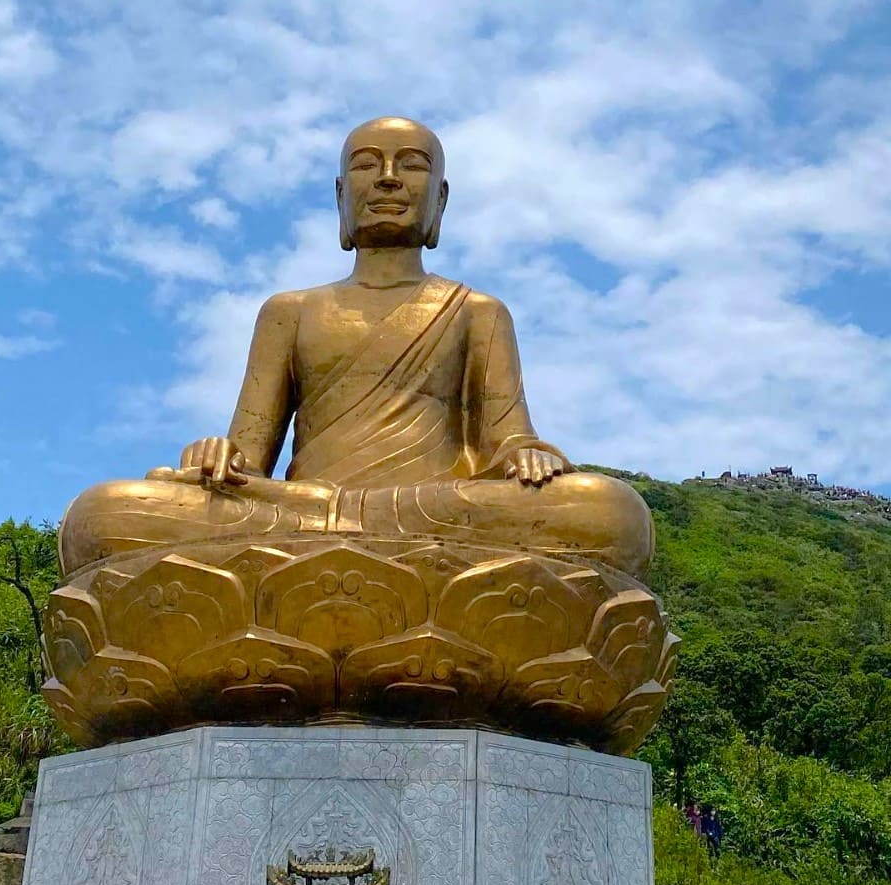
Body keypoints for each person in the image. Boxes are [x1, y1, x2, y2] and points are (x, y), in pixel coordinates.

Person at [57, 116, 654, 583]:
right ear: (342, 198)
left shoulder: (478, 312)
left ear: (438, 201)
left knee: (608, 513)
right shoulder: (289, 312)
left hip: (433, 513)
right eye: (368, 166)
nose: (389, 178)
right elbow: (247, 457)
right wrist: (218, 457)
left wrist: (528, 456)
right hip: (299, 515)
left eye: (411, 166)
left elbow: (506, 441)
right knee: (102, 515)